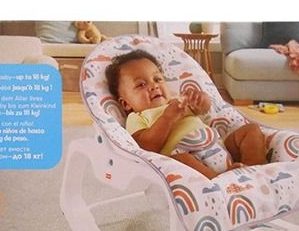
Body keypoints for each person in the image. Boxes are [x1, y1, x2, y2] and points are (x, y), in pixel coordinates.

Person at [106, 50, 266, 179]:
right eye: (141, 84)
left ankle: (255, 173)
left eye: (157, 79)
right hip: (188, 159)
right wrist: (168, 117)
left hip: (218, 148)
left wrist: (201, 99)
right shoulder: (137, 117)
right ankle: (220, 182)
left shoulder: (178, 102)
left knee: (251, 130)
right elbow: (146, 146)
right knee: (181, 160)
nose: (154, 86)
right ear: (126, 104)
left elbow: (203, 109)